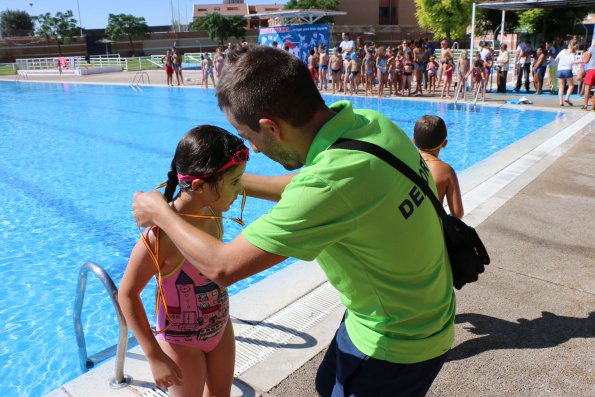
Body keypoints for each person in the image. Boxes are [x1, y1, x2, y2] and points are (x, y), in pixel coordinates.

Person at [132, 45, 455, 397]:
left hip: (396, 343)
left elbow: (223, 267)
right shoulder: (369, 124)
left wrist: (160, 211)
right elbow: (303, 187)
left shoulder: (330, 185)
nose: (253, 149)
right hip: (412, 312)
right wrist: (213, 183)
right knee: (324, 383)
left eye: (248, 136)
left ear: (271, 128)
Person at [120, 125, 248, 396]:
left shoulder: (212, 211)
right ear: (200, 186)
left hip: (221, 328)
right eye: (235, 182)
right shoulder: (160, 238)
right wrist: (154, 356)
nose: (240, 191)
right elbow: (127, 294)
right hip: (181, 343)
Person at [413, 115, 464, 218]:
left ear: (413, 140)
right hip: (432, 229)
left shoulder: (405, 161)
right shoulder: (446, 171)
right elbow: (458, 213)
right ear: (444, 143)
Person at [555, 41, 579, 106]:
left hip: (560, 70)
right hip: (567, 70)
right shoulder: (572, 54)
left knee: (561, 86)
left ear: (568, 45)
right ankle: (567, 98)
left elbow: (556, 59)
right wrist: (580, 62)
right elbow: (573, 62)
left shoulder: (562, 51)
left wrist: (560, 64)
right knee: (571, 86)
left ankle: (561, 102)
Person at [581, 42, 595, 110]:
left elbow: (586, 61)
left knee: (588, 89)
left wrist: (584, 58)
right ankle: (593, 106)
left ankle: (585, 106)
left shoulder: (592, 48)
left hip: (591, 70)